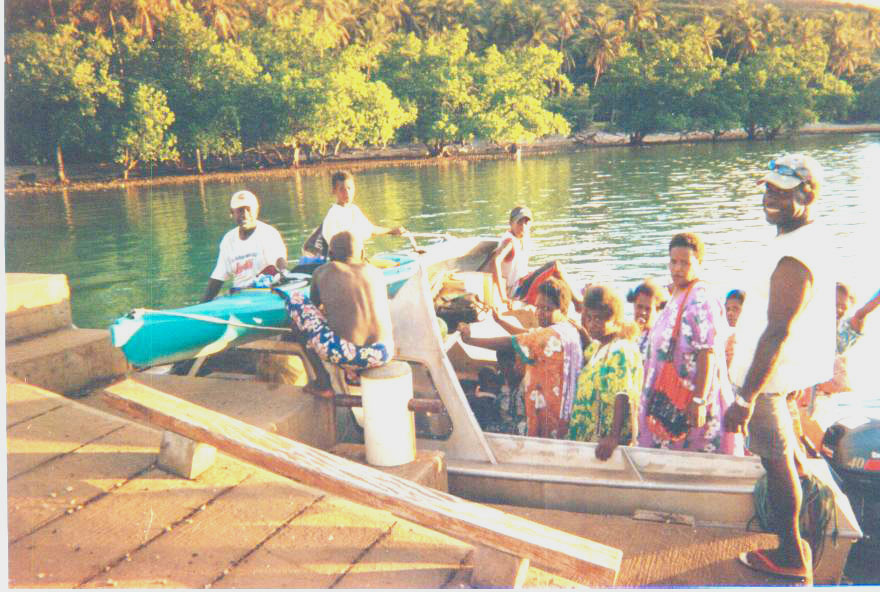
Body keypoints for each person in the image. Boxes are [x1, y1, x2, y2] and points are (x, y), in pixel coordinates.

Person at [723, 153, 836, 585]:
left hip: (766, 382)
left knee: (776, 463)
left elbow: (778, 330)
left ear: (808, 194)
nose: (769, 197)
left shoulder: (795, 256)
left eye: (782, 192)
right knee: (786, 457)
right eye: (768, 188)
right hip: (777, 380)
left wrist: (744, 398)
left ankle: (789, 554)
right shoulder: (803, 238)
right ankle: (795, 544)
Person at [638, 232, 743, 456]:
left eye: (685, 263)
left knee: (696, 451)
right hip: (669, 395)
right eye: (673, 262)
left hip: (687, 398)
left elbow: (708, 352)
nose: (677, 268)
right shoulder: (678, 292)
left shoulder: (702, 298)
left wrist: (698, 400)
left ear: (699, 263)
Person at [457, 278, 583, 438]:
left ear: (562, 310)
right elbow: (528, 334)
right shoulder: (567, 329)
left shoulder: (549, 336)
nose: (539, 313)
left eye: (547, 308)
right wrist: (500, 321)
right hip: (564, 415)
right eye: (537, 307)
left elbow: (511, 342)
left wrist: (470, 340)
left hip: (550, 423)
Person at [276, 231, 395, 397]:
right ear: (362, 253)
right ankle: (354, 373)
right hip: (384, 352)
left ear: (330, 255)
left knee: (295, 300)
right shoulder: (376, 273)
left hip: (346, 354)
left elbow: (313, 310)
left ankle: (322, 382)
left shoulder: (322, 271)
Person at [568, 285, 644, 461]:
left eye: (599, 319)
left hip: (602, 439)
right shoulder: (596, 346)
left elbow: (622, 394)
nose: (592, 324)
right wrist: (581, 328)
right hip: (585, 434)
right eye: (590, 318)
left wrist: (613, 437)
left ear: (616, 321)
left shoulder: (621, 350)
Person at [482, 206, 583, 311]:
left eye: (526, 223)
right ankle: (578, 303)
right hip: (516, 291)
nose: (523, 226)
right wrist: (503, 297)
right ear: (511, 223)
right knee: (555, 266)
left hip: (522, 283)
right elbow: (495, 261)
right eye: (519, 222)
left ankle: (563, 309)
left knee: (554, 279)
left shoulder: (522, 238)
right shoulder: (509, 242)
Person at [203, 190, 288, 302]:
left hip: (267, 293)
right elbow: (217, 278)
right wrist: (202, 305)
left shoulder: (268, 233)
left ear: (257, 210)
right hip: (240, 296)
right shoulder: (228, 240)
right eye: (240, 211)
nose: (245, 215)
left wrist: (283, 272)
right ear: (232, 213)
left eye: (249, 209)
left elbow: (279, 260)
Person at [303, 171, 407, 258]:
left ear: (354, 189)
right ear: (334, 191)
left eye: (349, 188)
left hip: (356, 261)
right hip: (343, 264)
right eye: (342, 189)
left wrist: (392, 231)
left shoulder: (354, 210)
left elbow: (370, 230)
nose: (347, 193)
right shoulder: (333, 215)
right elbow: (335, 249)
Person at [627, 278, 669, 359]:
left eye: (648, 309)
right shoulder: (625, 332)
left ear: (657, 310)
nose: (643, 312)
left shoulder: (660, 337)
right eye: (639, 307)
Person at [724, 289, 746, 370]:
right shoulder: (721, 338)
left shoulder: (750, 342)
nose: (730, 313)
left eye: (735, 309)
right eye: (727, 309)